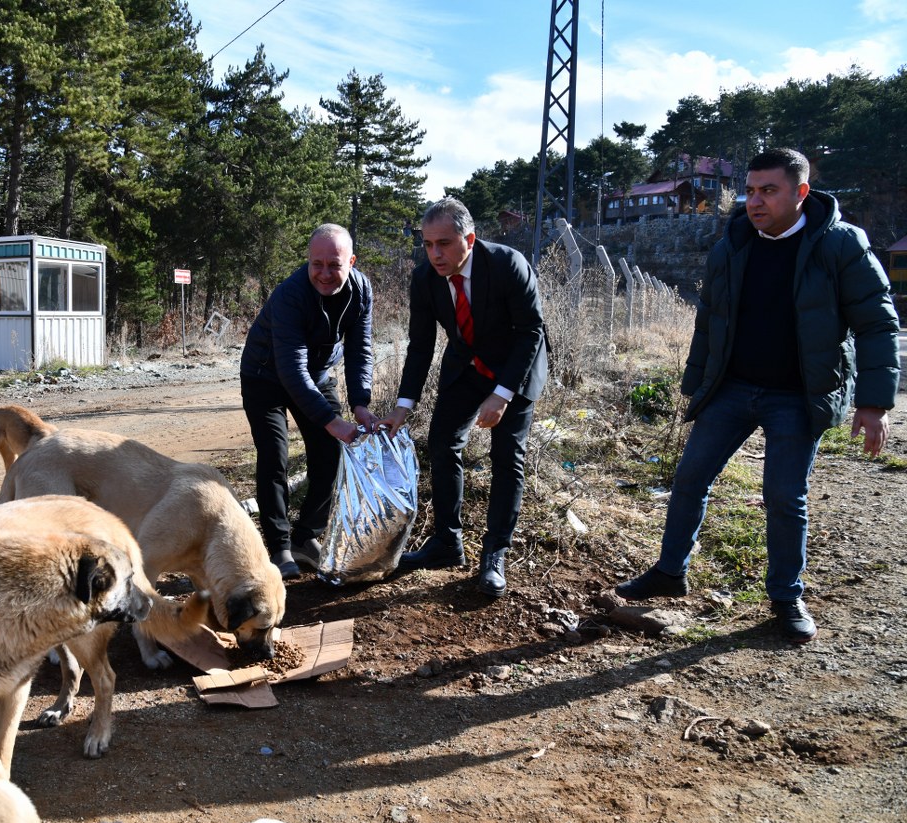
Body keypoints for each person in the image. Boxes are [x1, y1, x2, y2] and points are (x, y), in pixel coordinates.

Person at [614, 148, 900, 643]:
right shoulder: (734, 243)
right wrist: (696, 385)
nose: (755, 201)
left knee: (785, 498)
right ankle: (669, 571)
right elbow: (710, 319)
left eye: (768, 191)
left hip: (797, 394)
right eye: (750, 190)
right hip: (732, 388)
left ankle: (786, 598)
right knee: (689, 478)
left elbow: (876, 323)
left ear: (800, 193)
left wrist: (873, 404)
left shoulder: (840, 245)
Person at [377, 197, 549, 597]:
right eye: (428, 243)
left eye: (445, 243)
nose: (435, 253)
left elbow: (530, 332)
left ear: (469, 239)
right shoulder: (424, 279)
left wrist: (502, 395)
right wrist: (404, 405)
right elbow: (420, 346)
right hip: (466, 365)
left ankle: (494, 554)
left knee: (507, 457)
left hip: (515, 367)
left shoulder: (507, 265)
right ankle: (446, 543)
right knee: (442, 443)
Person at [240, 224, 377, 579]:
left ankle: (305, 536)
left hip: (315, 376)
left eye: (334, 265)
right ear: (308, 261)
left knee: (330, 453)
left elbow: (361, 350)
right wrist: (335, 423)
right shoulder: (291, 295)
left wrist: (360, 403)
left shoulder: (361, 291)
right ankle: (279, 546)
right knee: (274, 455)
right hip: (265, 375)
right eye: (317, 264)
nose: (325, 274)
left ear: (352, 261)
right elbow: (291, 369)